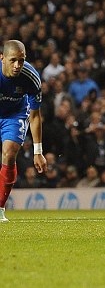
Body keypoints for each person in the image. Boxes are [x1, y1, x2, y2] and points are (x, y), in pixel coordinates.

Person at [0, 40, 48, 222]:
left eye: (21, 60)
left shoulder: (31, 77)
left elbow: (35, 115)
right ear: (2, 58)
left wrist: (38, 152)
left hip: (15, 115)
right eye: (13, 60)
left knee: (9, 153)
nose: (17, 65)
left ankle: (0, 208)